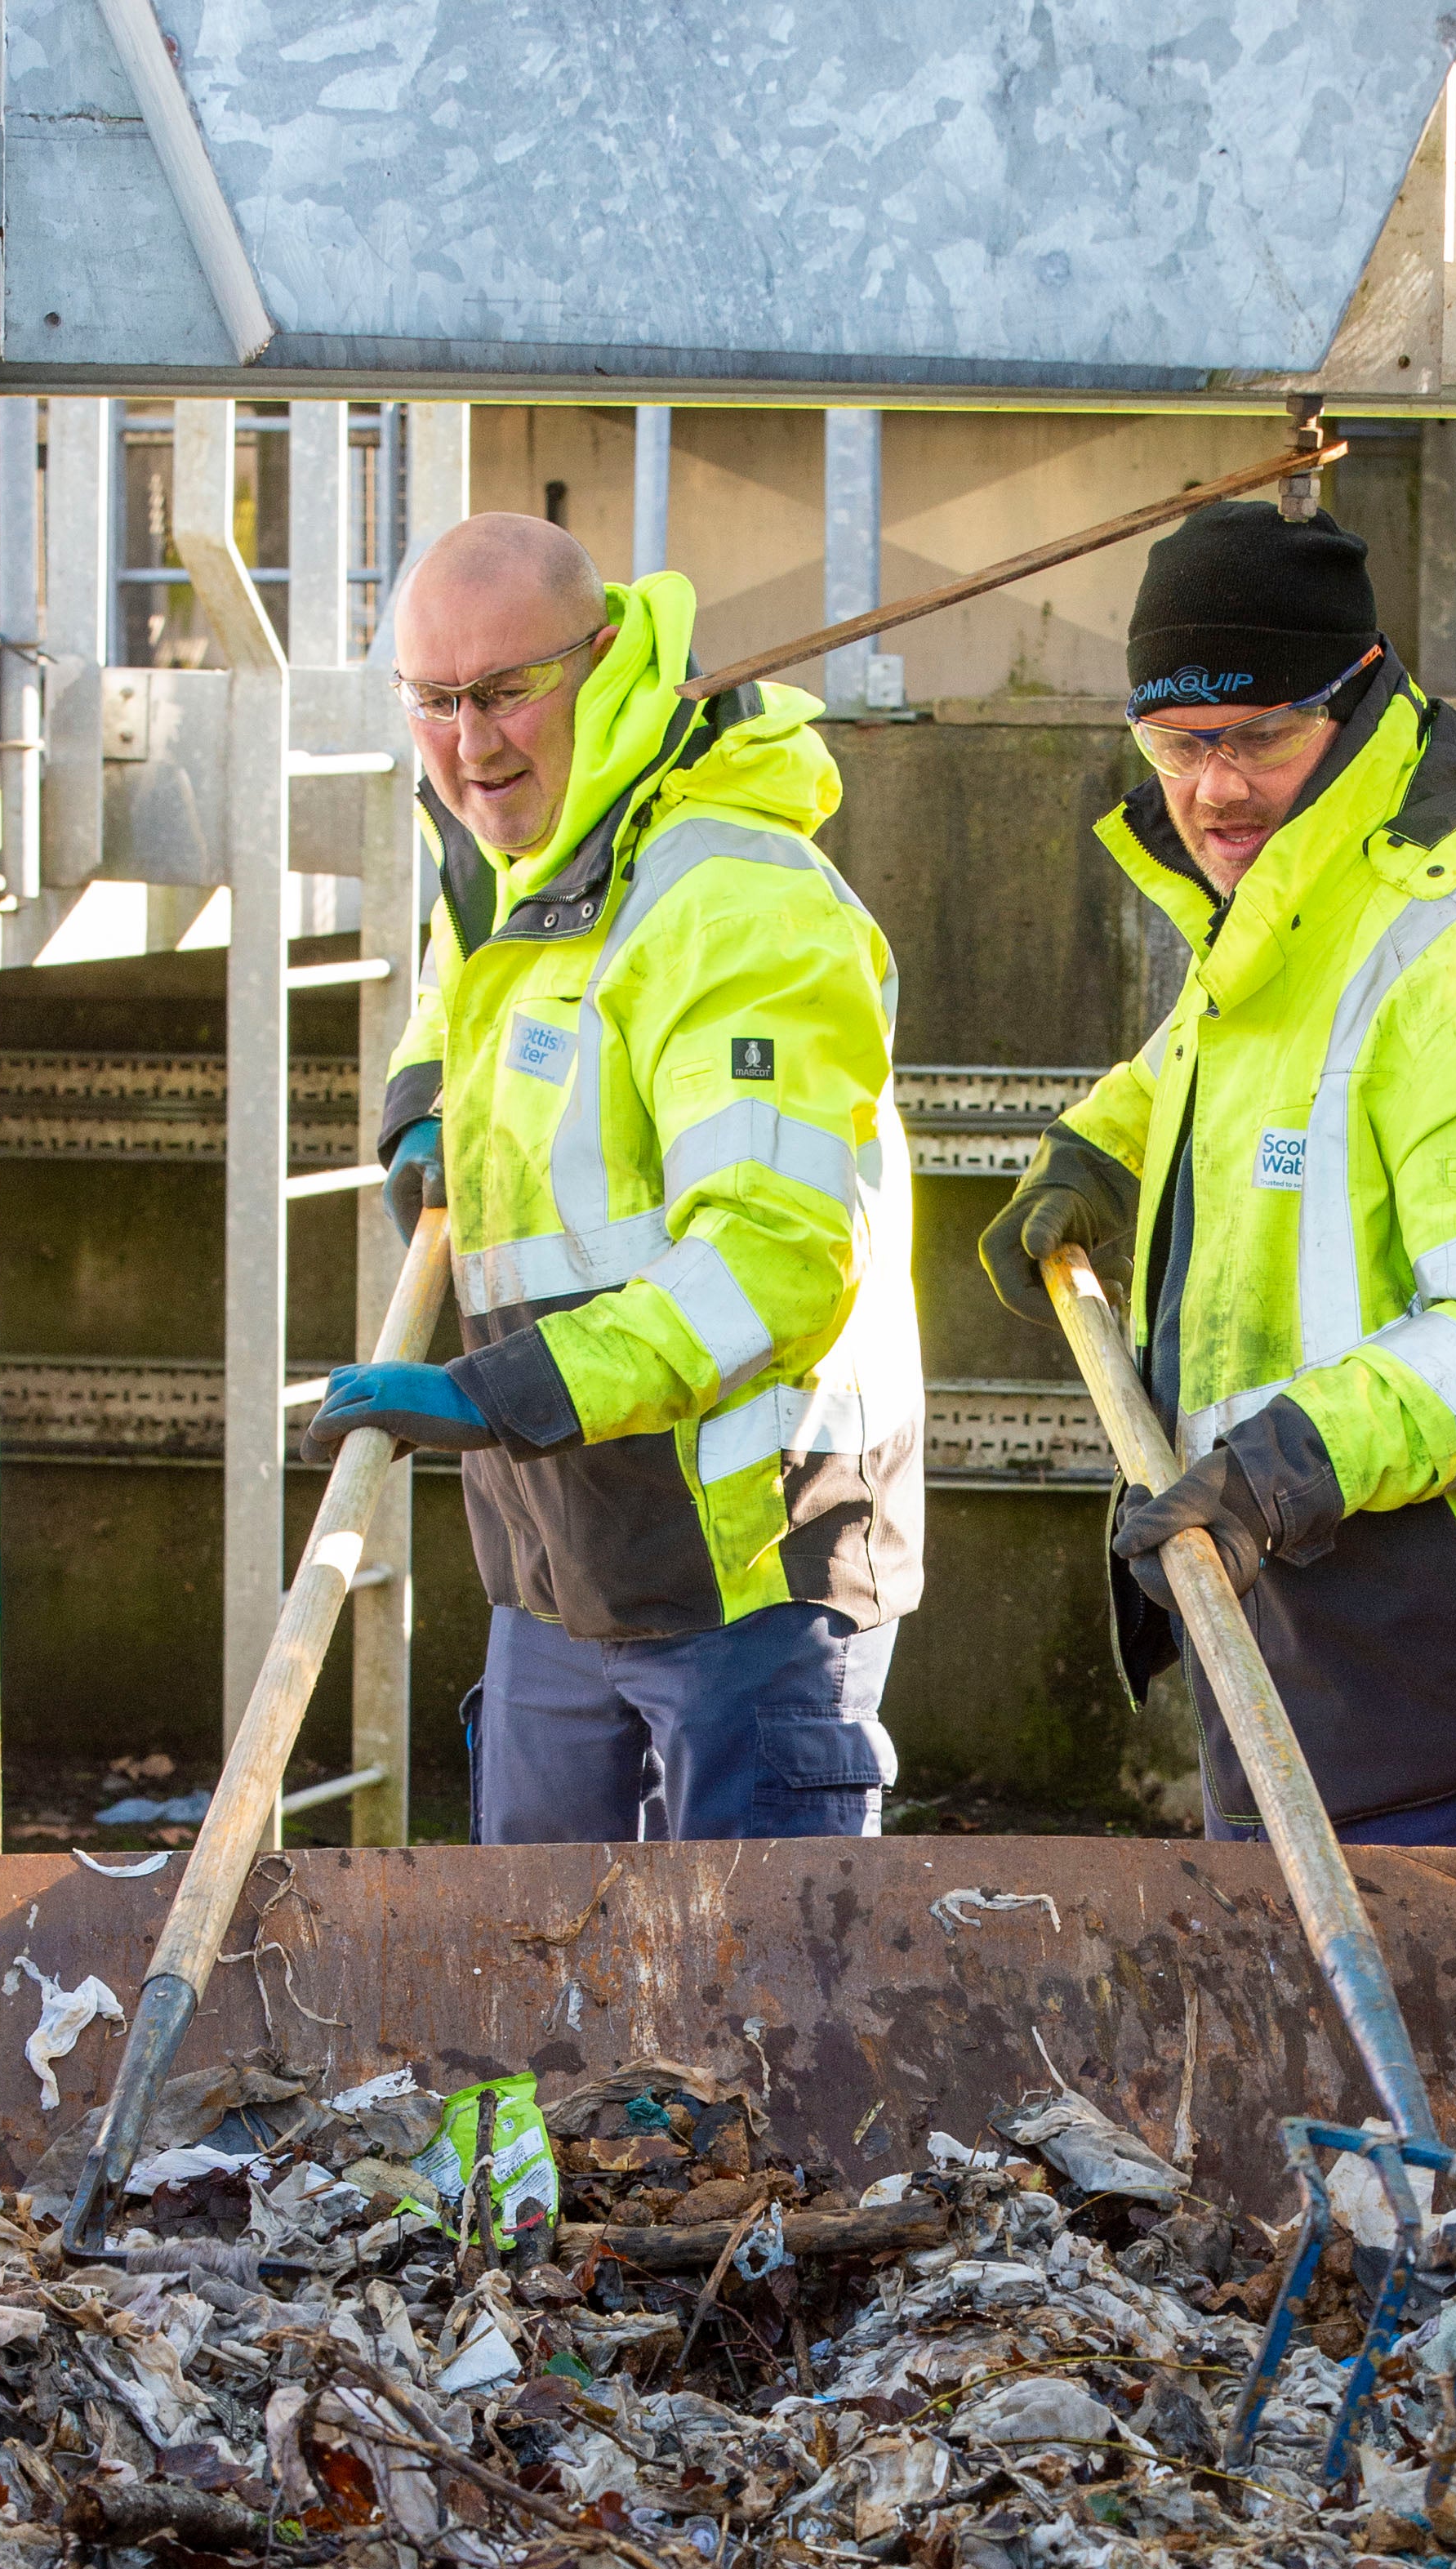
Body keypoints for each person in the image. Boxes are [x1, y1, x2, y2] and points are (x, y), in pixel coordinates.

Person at [981, 495, 1456, 1849]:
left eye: (1257, 735)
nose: (1213, 789)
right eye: (1176, 744)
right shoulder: (1308, 888)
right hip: (1305, 1633)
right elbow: (1239, 1056)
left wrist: (1281, 1466)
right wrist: (1102, 1153)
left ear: (1357, 697)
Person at [308, 513, 922, 1841]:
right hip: (559, 1550)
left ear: (599, 662)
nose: (471, 744)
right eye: (432, 700)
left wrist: (497, 1393)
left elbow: (770, 1259)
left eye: (506, 693)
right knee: (534, 1994)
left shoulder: (736, 902)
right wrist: (423, 1114)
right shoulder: (510, 844)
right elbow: (455, 992)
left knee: (746, 2021)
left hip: (748, 1566)